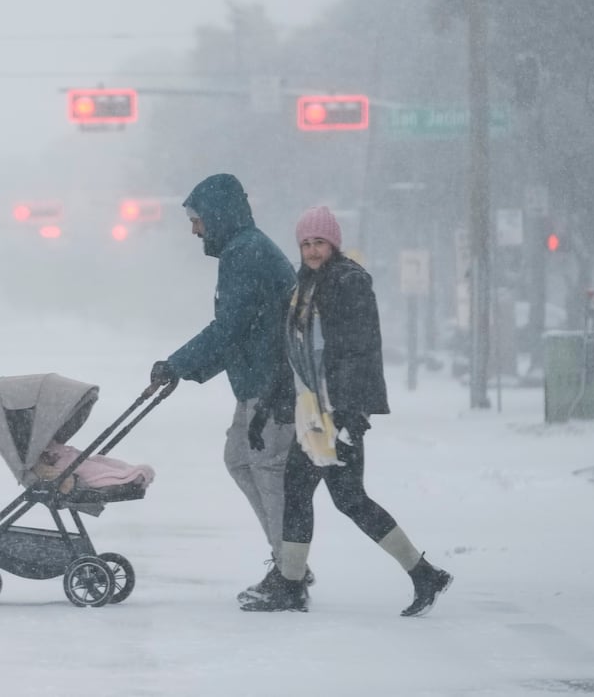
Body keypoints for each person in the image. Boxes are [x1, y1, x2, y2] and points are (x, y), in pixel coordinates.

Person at [240, 205, 453, 616]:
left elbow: (359, 351)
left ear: (333, 244)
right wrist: (267, 410)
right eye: (305, 243)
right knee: (342, 497)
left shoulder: (347, 283)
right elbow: (295, 357)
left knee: (316, 494)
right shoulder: (305, 289)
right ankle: (422, 573)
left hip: (336, 413)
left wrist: (352, 413)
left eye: (319, 242)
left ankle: (291, 585)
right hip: (315, 412)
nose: (312, 250)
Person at [148, 173, 300, 605]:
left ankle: (290, 574)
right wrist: (183, 369)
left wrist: (177, 365)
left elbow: (229, 329)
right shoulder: (242, 250)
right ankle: (287, 562)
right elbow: (237, 331)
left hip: (272, 383)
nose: (194, 229)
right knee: (239, 458)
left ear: (216, 216)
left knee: (267, 468)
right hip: (257, 379)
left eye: (196, 219)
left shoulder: (246, 254)